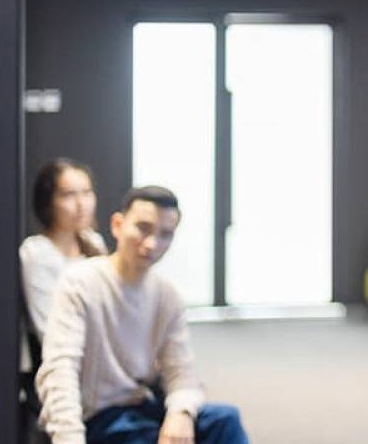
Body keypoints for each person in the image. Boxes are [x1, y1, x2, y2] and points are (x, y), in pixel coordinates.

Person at [36, 185, 248, 444]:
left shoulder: (167, 295)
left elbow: (182, 373)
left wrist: (180, 413)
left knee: (224, 420)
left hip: (142, 408)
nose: (152, 243)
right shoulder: (80, 283)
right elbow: (60, 371)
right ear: (117, 225)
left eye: (165, 234)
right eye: (143, 228)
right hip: (97, 418)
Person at [20, 158, 108, 341]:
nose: (81, 204)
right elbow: (47, 327)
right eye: (68, 195)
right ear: (48, 202)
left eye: (86, 193)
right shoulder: (37, 251)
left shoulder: (94, 241)